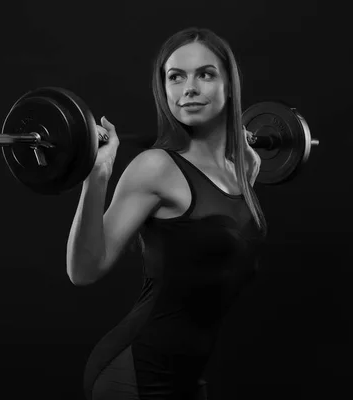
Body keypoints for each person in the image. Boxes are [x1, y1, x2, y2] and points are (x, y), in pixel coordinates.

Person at [67, 27, 267, 400]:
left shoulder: (243, 170)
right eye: (175, 77)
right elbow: (84, 269)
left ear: (230, 86)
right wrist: (97, 174)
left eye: (205, 74)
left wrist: (242, 161)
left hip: (187, 380)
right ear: (165, 89)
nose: (188, 88)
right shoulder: (155, 167)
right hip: (134, 374)